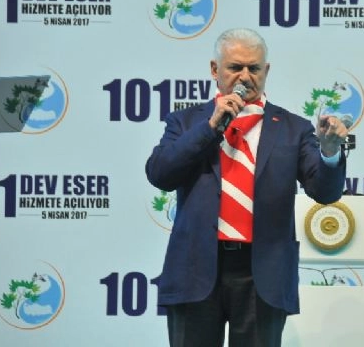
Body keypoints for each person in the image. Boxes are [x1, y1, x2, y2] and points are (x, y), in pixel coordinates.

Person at [145, 28, 349, 347]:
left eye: (254, 68)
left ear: (266, 71)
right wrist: (210, 127)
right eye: (235, 67)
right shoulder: (185, 122)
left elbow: (325, 192)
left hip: (262, 274)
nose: (245, 76)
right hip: (196, 267)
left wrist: (330, 151)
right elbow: (160, 174)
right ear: (215, 69)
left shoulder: (293, 128)